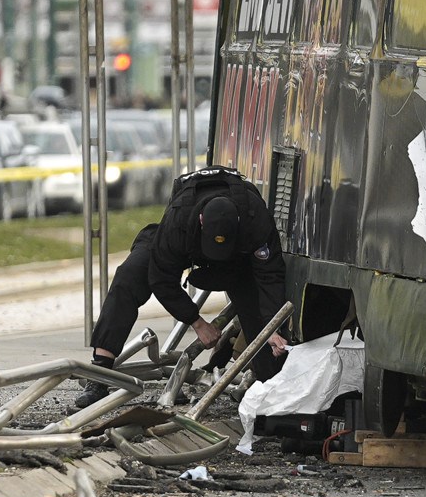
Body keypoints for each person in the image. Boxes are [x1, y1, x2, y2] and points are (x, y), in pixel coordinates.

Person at [77, 164, 290, 408]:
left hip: (237, 262)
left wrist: (273, 326)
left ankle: (270, 387)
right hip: (184, 244)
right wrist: (197, 323)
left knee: (261, 316)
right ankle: (100, 374)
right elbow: (162, 278)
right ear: (201, 220)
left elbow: (270, 276)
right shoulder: (178, 219)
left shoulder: (256, 219)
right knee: (129, 276)